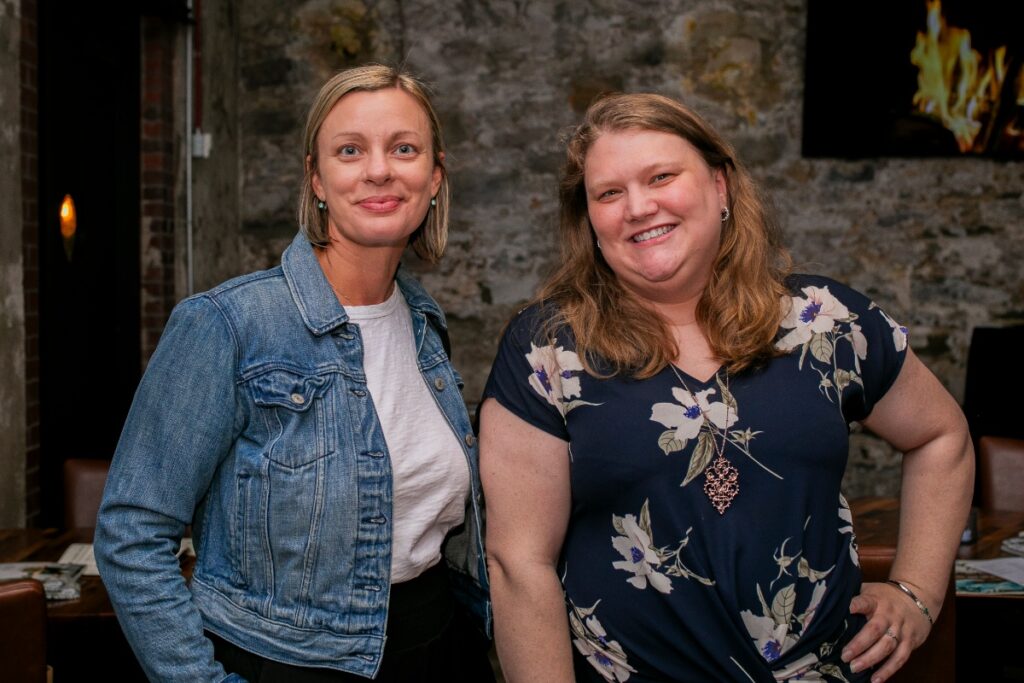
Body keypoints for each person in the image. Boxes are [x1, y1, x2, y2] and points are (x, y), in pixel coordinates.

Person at [479, 93, 973, 683]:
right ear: (589, 221)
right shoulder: (549, 349)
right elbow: (519, 563)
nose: (637, 206)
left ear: (721, 187)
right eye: (608, 193)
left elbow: (942, 436)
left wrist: (918, 591)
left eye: (661, 177)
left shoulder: (825, 322)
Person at [95, 64, 492, 682]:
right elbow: (132, 533)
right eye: (350, 150)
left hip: (439, 644)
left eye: (404, 149)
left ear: (435, 176)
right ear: (317, 178)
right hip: (286, 663)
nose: (380, 170)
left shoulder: (423, 324)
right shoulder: (227, 325)